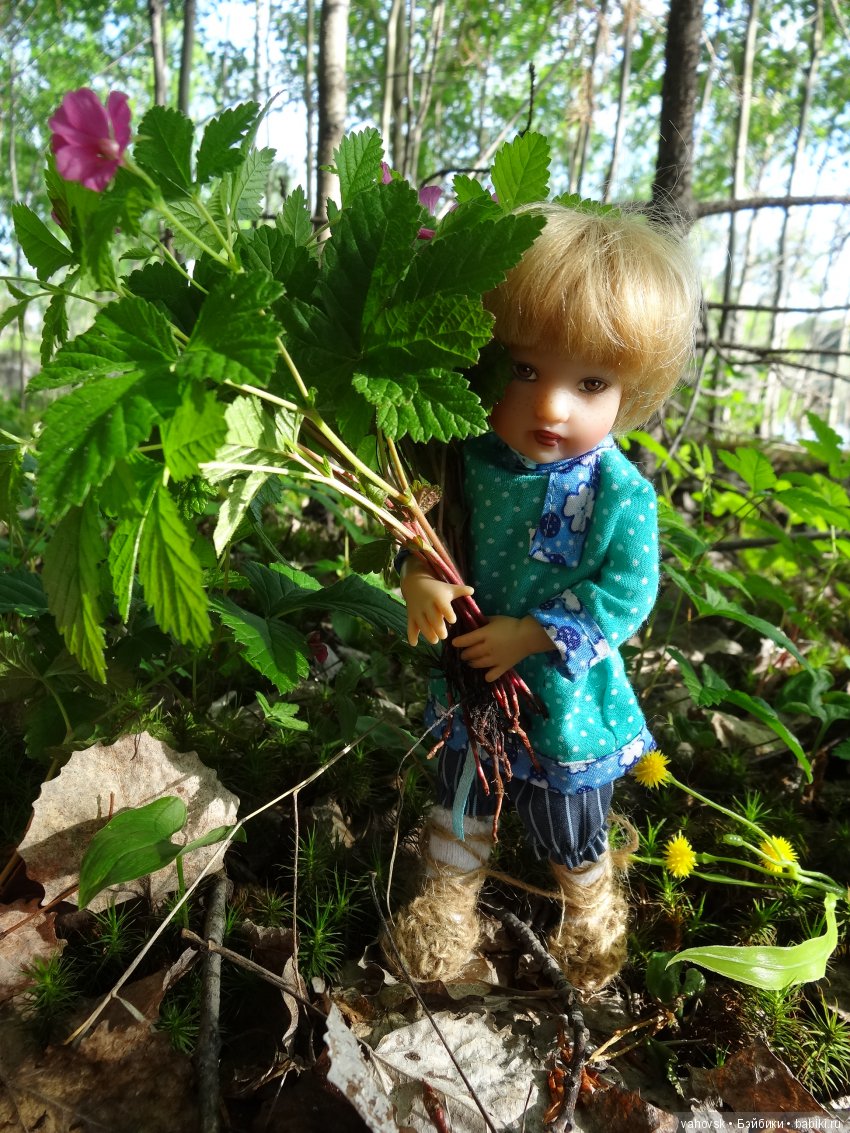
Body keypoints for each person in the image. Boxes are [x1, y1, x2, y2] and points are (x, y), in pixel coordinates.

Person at [386, 202, 702, 992]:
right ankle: (444, 914)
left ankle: (591, 919)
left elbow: (628, 592)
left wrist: (531, 633)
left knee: (570, 822)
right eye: (524, 369)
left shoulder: (619, 493)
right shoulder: (467, 457)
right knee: (463, 795)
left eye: (591, 381)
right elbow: (425, 530)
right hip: (473, 677)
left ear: (632, 390)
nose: (553, 406)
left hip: (563, 693)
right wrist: (419, 577)